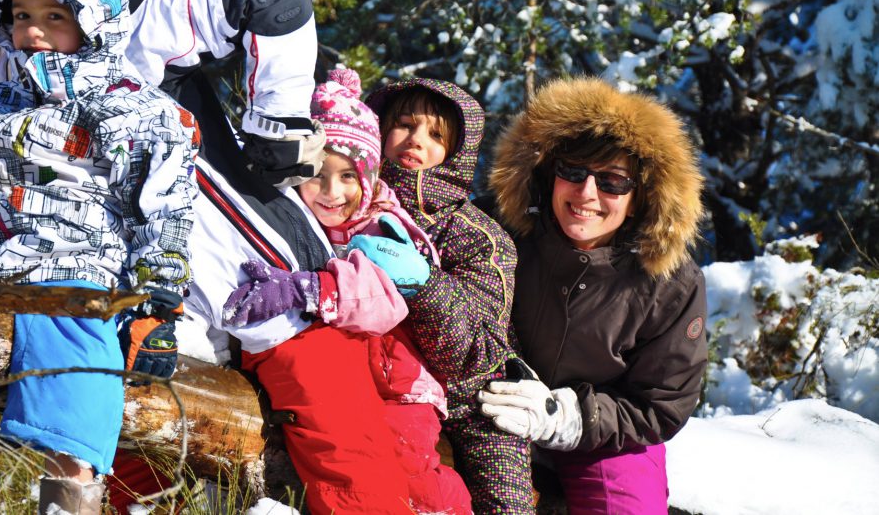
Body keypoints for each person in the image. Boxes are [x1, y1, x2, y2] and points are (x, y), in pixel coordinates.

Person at [0, 0, 411, 513]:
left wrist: (276, 124)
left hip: (274, 299)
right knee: (135, 495)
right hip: (130, 330)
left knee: (352, 475)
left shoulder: (130, 21)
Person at [0, 0, 199, 512]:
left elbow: (164, 208)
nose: (34, 32)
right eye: (22, 15)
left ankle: (70, 494)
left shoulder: (137, 111)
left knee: (79, 383)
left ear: (95, 20)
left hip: (75, 273)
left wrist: (156, 305)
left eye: (55, 17)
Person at [222, 68, 473, 514]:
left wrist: (310, 289)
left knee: (415, 472)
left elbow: (381, 302)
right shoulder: (286, 217)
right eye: (317, 175)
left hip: (402, 385)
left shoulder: (382, 225)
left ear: (370, 178)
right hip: (357, 377)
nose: (330, 192)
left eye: (348, 177)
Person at [479, 76, 707, 515]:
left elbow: (661, 404)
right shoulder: (500, 236)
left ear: (640, 197)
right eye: (572, 171)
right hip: (494, 411)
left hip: (608, 437)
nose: (586, 193)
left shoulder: (670, 284)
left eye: (612, 182)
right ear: (549, 177)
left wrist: (568, 417)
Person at [362, 79, 536, 514]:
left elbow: (475, 353)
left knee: (505, 497)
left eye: (436, 135)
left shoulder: (479, 236)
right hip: (386, 378)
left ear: (457, 153)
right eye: (404, 125)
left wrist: (424, 283)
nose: (415, 141)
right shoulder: (348, 199)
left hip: (475, 399)